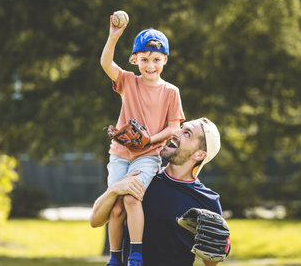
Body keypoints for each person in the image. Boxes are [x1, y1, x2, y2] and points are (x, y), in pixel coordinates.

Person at [99, 13, 185, 266]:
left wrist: (149, 140)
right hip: (119, 154)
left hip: (148, 156)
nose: (150, 65)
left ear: (165, 60)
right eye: (145, 59)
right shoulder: (128, 81)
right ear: (135, 59)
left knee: (131, 198)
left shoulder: (171, 91)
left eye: (156, 59)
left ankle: (136, 253)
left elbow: (173, 128)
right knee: (115, 207)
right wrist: (113, 37)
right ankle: (115, 257)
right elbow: (106, 64)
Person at [90, 118, 228, 266]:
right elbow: (95, 221)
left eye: (187, 133)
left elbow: (210, 261)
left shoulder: (207, 201)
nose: (175, 132)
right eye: (181, 128)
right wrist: (114, 190)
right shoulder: (143, 178)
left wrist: (218, 248)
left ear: (199, 155)